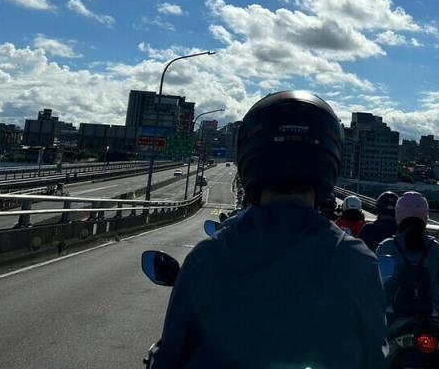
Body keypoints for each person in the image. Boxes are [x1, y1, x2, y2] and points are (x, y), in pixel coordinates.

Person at [152, 91, 387, 369]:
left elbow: (169, 357)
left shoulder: (207, 257)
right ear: (330, 158)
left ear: (250, 157)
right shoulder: (358, 262)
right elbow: (374, 358)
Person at [376, 191, 439, 324]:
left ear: (398, 215)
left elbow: (377, 280)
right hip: (431, 312)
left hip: (393, 312)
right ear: (425, 215)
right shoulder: (435, 247)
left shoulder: (387, 246)